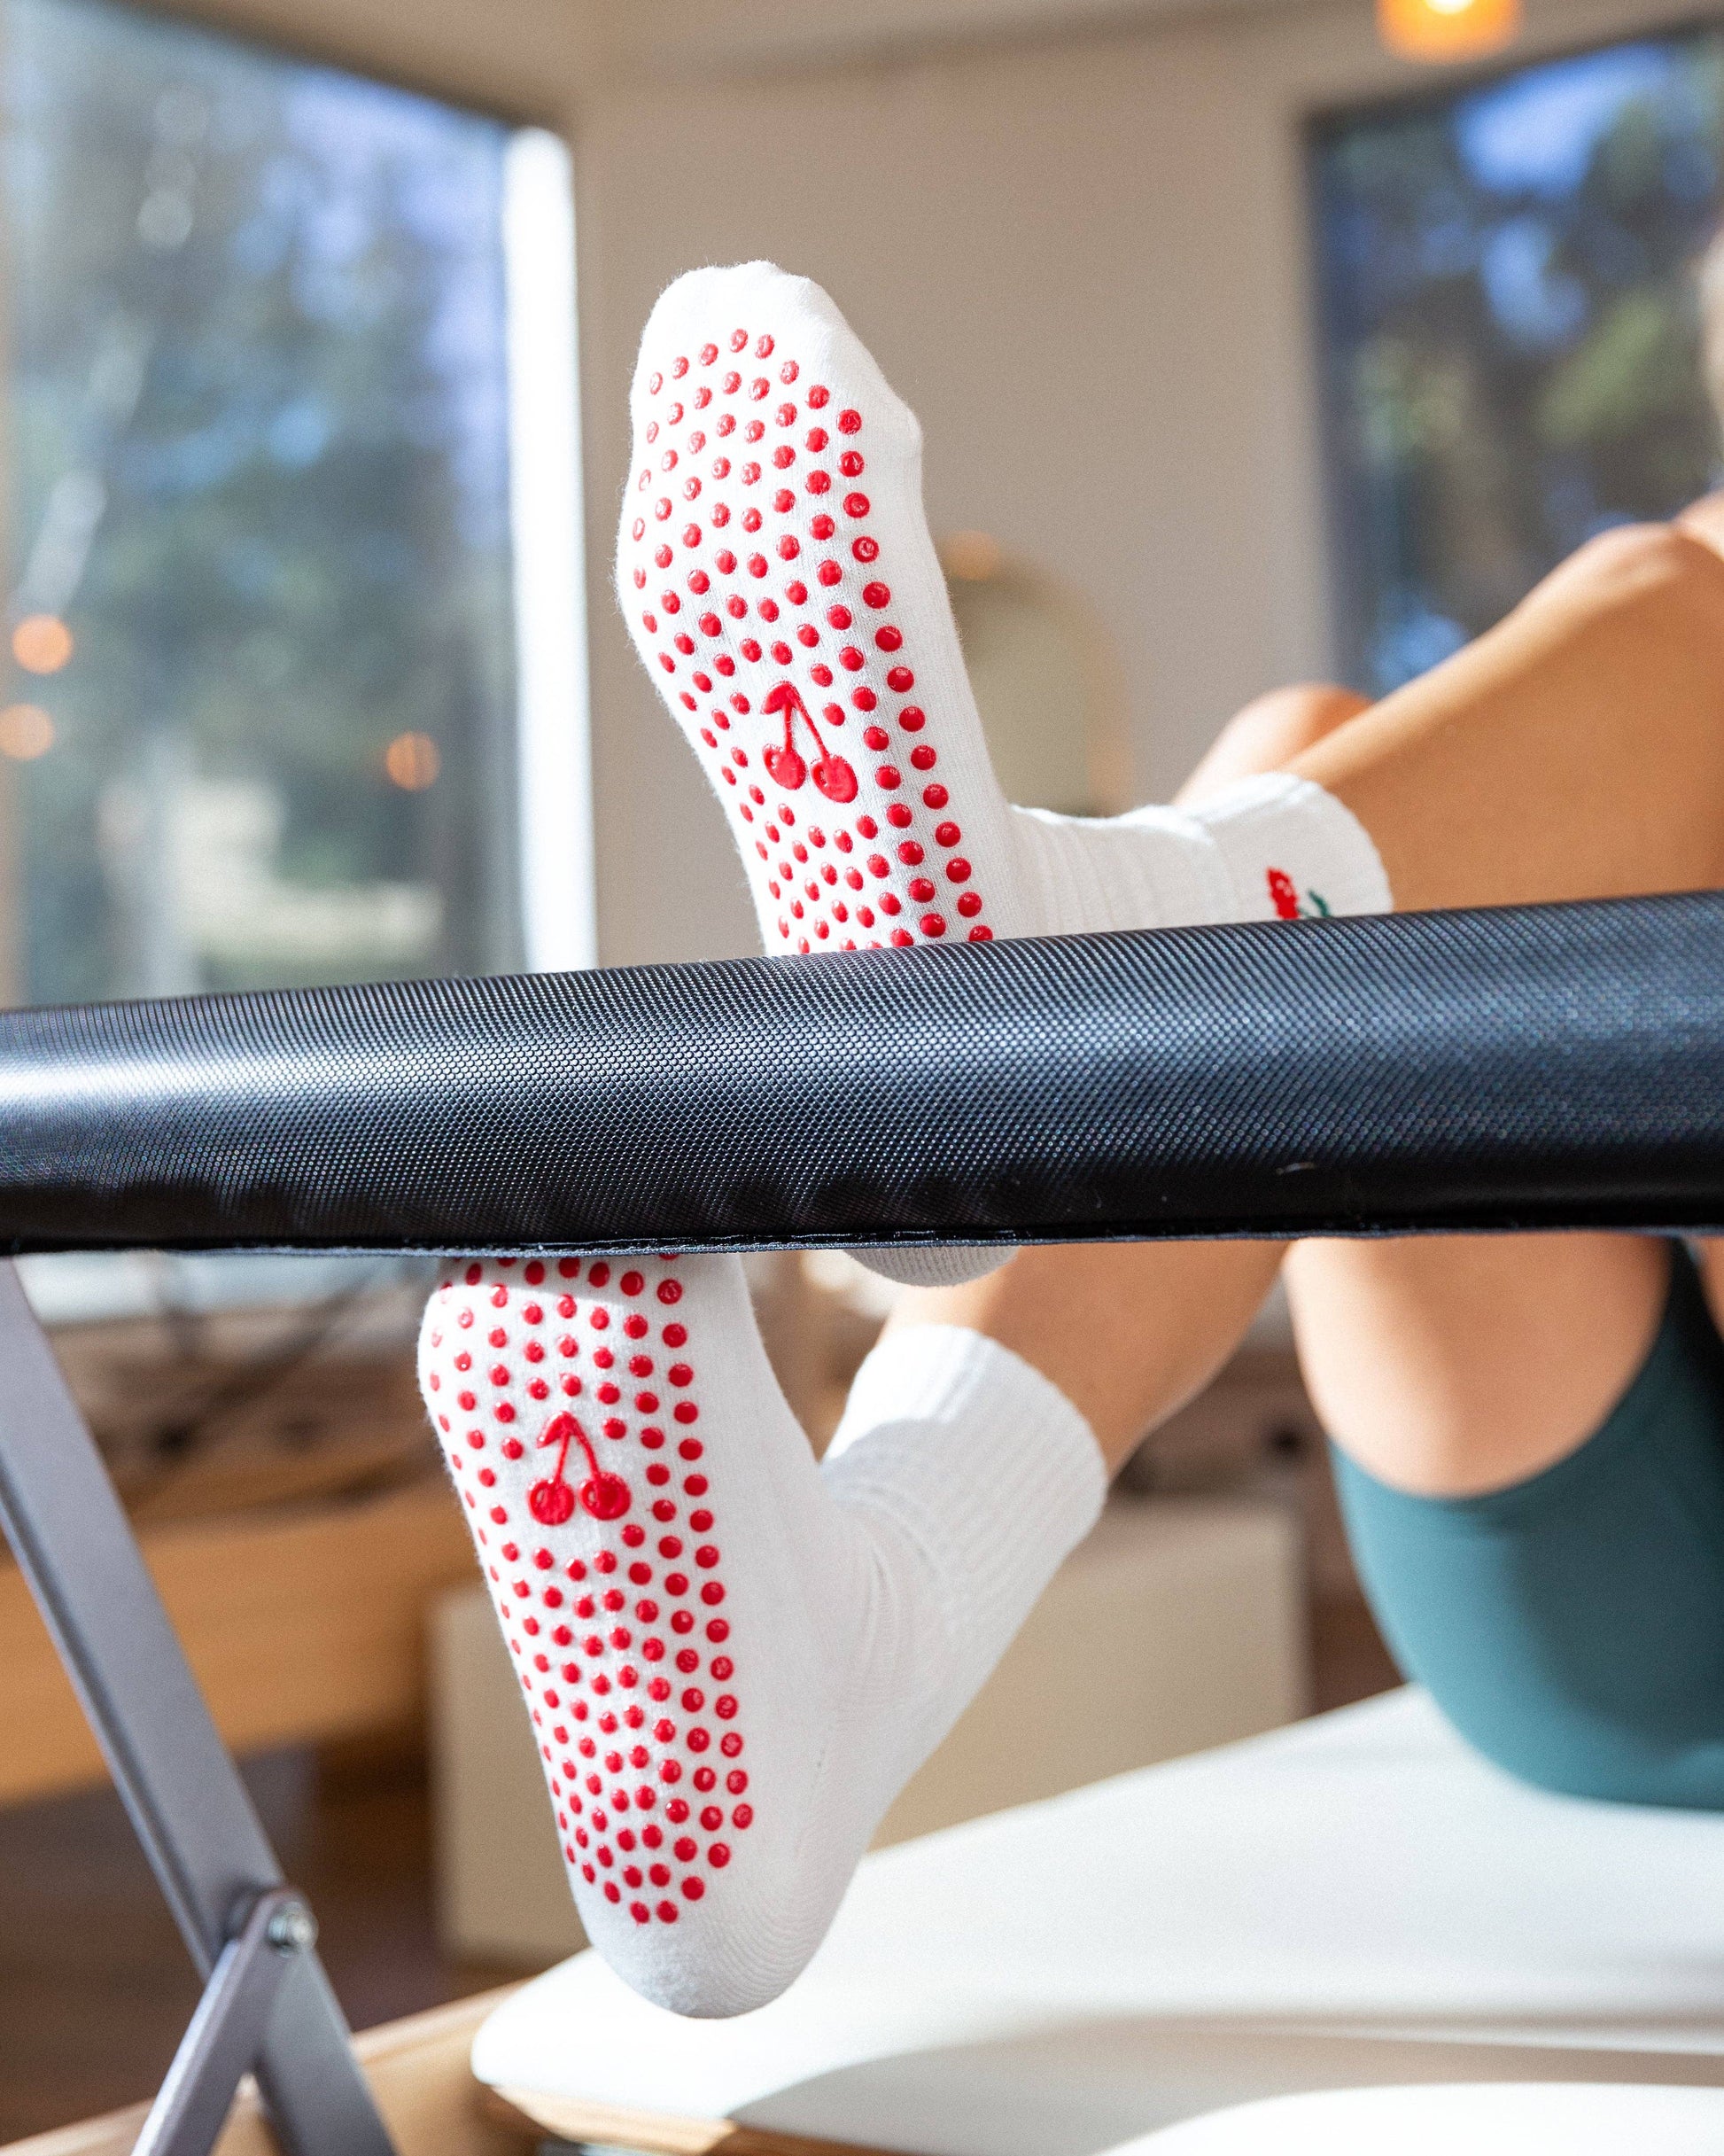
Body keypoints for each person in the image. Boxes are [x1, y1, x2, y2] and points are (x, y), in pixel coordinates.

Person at [417, 261, 1724, 2019]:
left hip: (1651, 1628)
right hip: (1601, 1555)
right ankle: (859, 1631)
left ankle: (1066, 974)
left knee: (1671, 624)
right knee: (1307, 751)